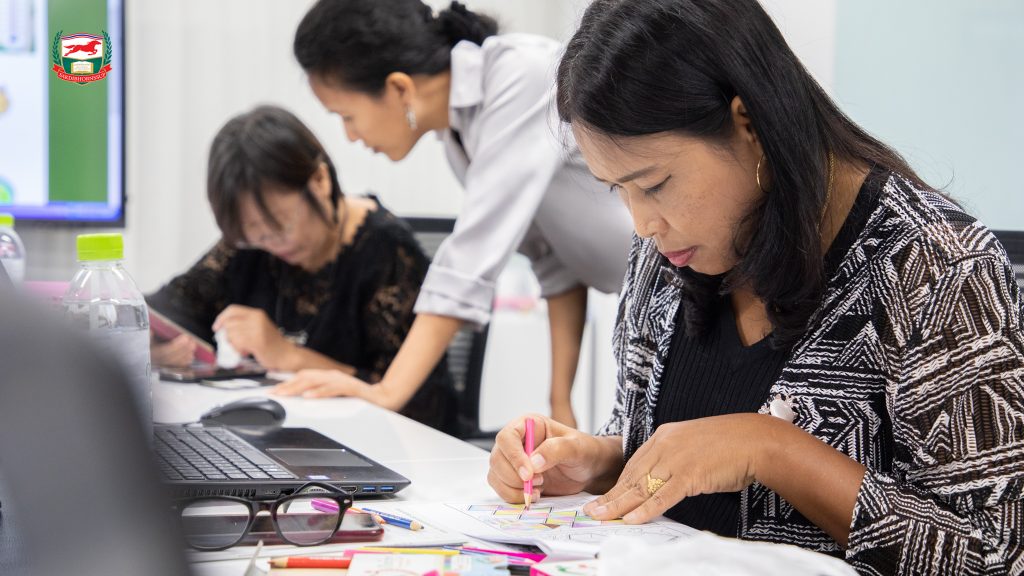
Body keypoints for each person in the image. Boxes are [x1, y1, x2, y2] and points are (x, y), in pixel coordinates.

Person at [487, 0, 1024, 573]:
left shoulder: (937, 267)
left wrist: (770, 449)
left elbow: (996, 554)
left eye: (656, 184)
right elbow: (675, 452)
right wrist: (599, 462)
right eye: (618, 189)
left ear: (748, 125)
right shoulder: (665, 255)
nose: (642, 224)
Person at [273, 0, 634, 429]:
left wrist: (387, 392)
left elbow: (469, 260)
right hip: (644, 294)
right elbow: (554, 261)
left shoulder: (520, 76)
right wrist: (560, 403)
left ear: (399, 88)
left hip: (685, 280)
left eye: (347, 116)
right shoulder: (459, 135)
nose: (350, 136)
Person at [148, 105, 456, 432]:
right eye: (253, 235)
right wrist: (156, 347)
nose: (272, 244)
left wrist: (289, 356)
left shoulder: (387, 252)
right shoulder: (251, 248)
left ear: (320, 181)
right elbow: (167, 310)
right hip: (286, 433)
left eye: (280, 225)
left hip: (382, 440)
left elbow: (417, 403)